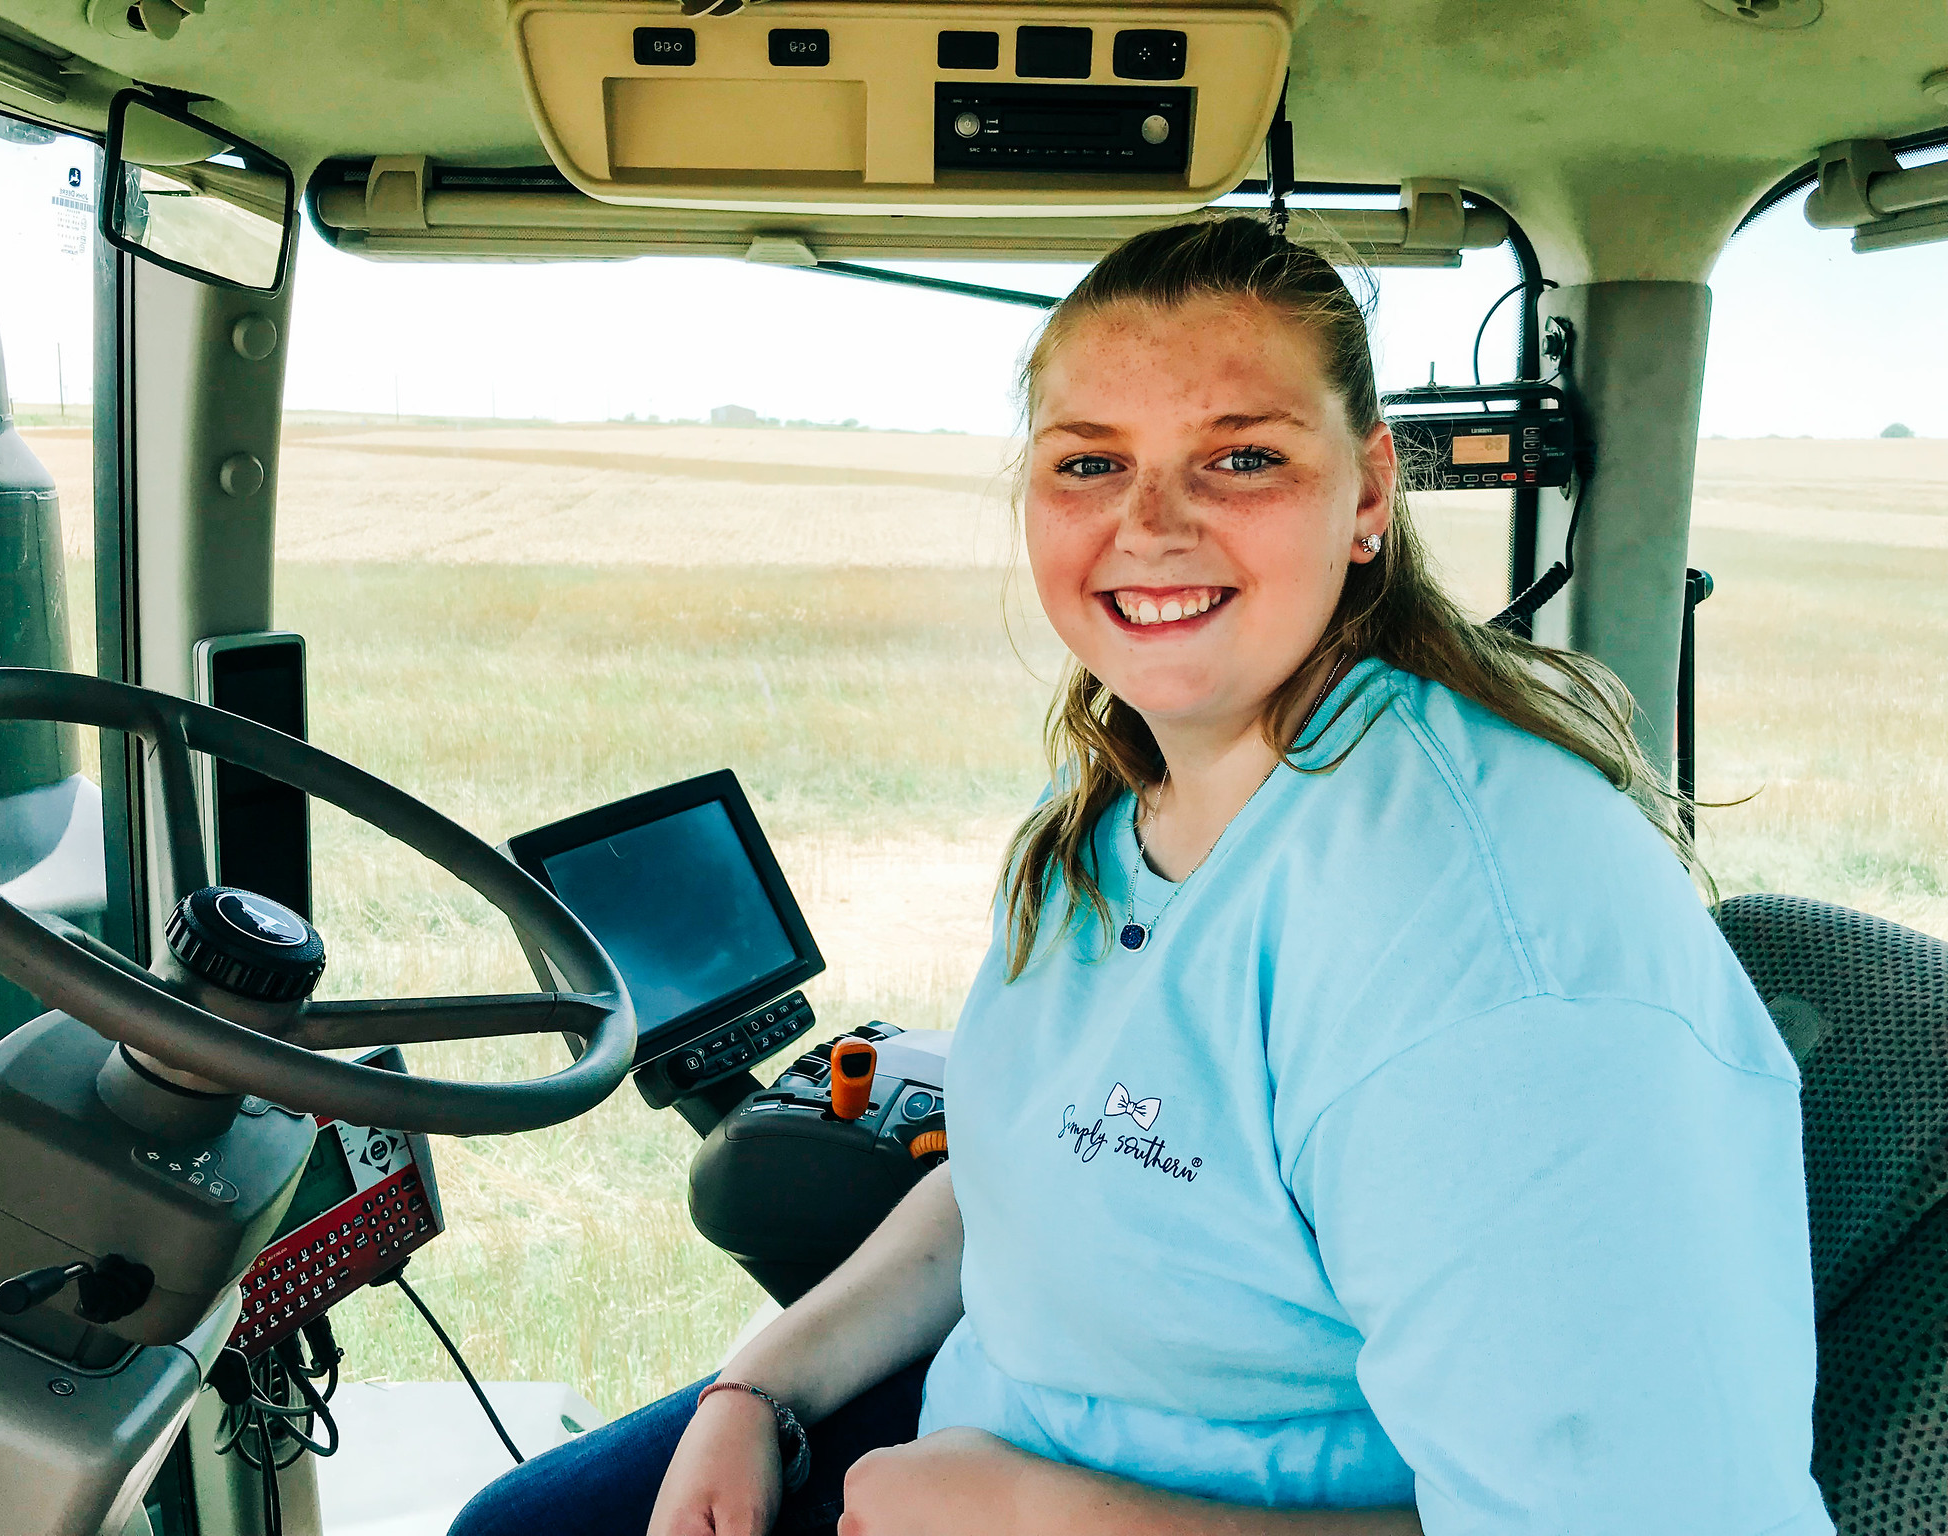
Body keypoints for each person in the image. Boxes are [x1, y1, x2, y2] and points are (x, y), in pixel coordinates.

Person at [450, 217, 1830, 1536]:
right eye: (1090, 463)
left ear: (1368, 494)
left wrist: (1043, 1519)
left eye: (1242, 458)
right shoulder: (1109, 805)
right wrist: (762, 1388)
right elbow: (1023, 1174)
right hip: (967, 1456)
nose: (1150, 525)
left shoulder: (1487, 949)